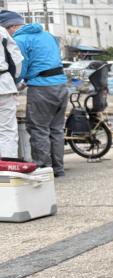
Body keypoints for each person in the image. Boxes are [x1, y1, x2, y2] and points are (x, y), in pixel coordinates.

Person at [4, 12, 68, 177]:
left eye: (5, 29)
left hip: (42, 88)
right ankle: (58, 169)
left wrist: (16, 83)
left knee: (38, 129)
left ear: (11, 26)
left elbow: (20, 68)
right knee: (56, 129)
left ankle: (43, 169)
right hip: (61, 85)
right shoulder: (47, 35)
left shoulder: (20, 39)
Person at [0, 12, 24, 159]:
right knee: (7, 130)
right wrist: (14, 80)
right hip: (3, 85)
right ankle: (8, 171)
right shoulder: (1, 32)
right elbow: (16, 60)